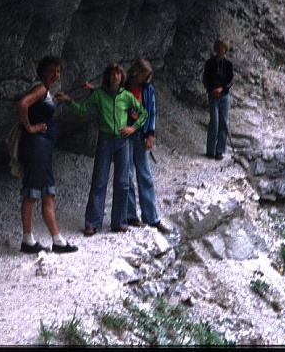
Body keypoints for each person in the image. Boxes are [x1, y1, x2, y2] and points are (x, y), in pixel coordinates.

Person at [56, 62, 147, 236]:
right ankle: (92, 223)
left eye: (118, 74)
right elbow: (82, 109)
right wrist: (68, 101)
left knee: (122, 182)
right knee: (99, 181)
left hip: (123, 141)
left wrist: (133, 128)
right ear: (108, 76)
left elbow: (143, 113)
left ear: (122, 77)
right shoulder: (98, 94)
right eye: (113, 74)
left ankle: (119, 222)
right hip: (105, 140)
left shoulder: (126, 96)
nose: (115, 77)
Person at [16, 56, 78, 254]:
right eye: (52, 70)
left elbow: (37, 106)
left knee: (47, 194)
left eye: (58, 71)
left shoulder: (45, 91)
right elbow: (23, 104)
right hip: (37, 147)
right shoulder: (41, 89)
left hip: (42, 148)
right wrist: (30, 128)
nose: (56, 74)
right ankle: (29, 240)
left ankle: (56, 240)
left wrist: (53, 99)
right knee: (33, 192)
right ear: (42, 71)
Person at [122, 59, 171, 234]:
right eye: (144, 74)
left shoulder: (148, 90)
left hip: (141, 134)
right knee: (126, 174)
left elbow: (151, 112)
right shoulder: (124, 87)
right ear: (136, 72)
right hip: (125, 134)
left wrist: (150, 134)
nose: (145, 78)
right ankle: (130, 215)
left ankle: (151, 218)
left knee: (145, 176)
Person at [202, 37, 234, 160]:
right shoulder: (209, 63)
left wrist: (222, 89)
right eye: (219, 47)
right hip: (213, 95)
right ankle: (210, 150)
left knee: (224, 122)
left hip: (224, 96)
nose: (221, 50)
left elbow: (231, 80)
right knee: (214, 121)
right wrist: (211, 90)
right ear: (216, 48)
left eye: (223, 47)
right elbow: (205, 78)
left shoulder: (228, 64)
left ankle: (219, 150)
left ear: (225, 49)